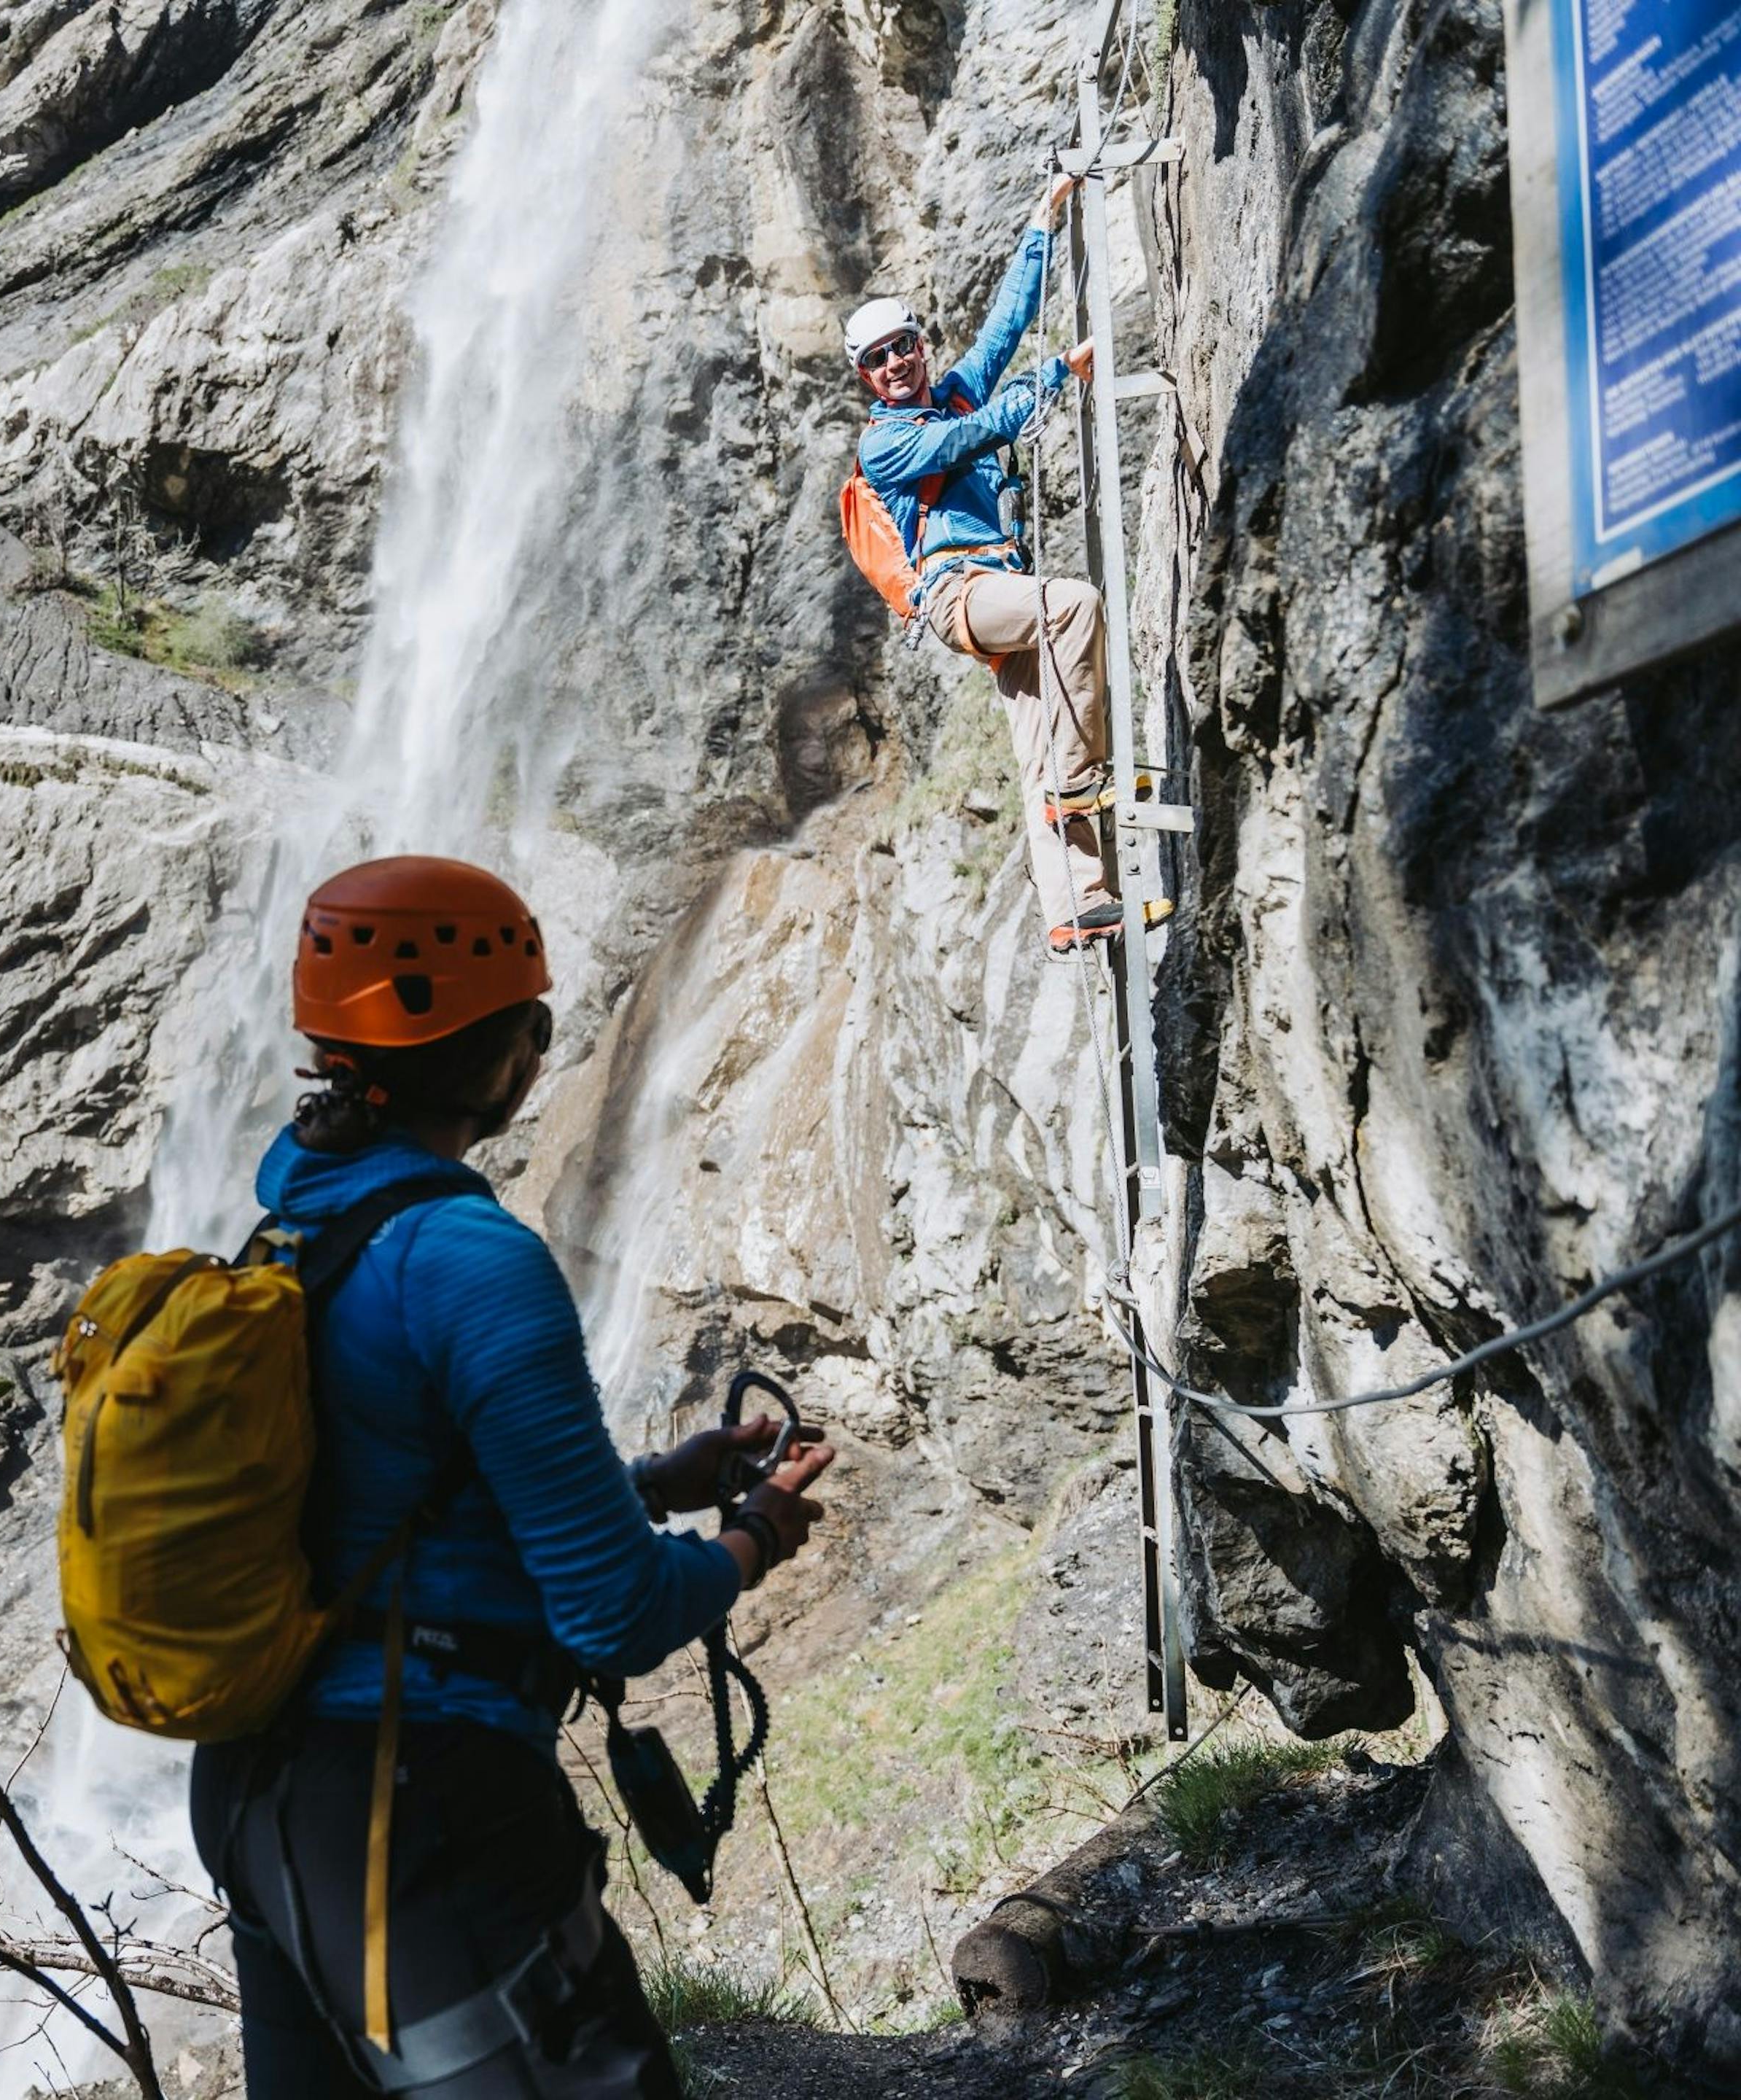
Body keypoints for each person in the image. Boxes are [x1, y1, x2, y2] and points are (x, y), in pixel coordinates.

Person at [191, 855, 836, 2099]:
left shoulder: (296, 1226)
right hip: (413, 1802)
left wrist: (652, 1484)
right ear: (508, 1054)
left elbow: (390, 1491)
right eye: (538, 1026)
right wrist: (755, 1530)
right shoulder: (470, 1256)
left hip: (257, 1793)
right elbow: (616, 1614)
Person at [848, 172, 1121, 953]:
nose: (895, 363)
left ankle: (1076, 907)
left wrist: (1043, 219)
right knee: (1072, 605)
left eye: (903, 346)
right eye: (877, 359)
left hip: (995, 583)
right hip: (958, 592)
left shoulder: (955, 391)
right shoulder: (887, 442)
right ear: (865, 377)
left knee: (1040, 747)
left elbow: (1006, 323)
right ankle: (1080, 786)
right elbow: (971, 440)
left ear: (920, 345)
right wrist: (1061, 374)